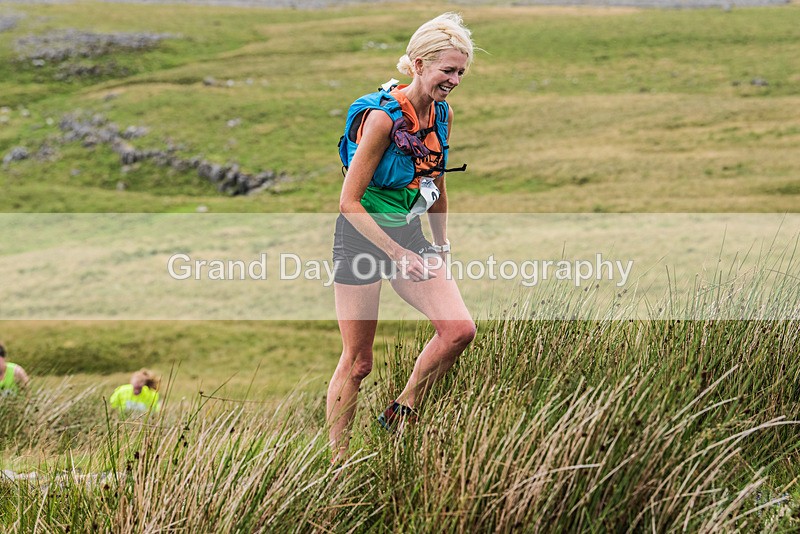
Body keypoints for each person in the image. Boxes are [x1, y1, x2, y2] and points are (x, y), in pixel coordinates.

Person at [328, 13, 478, 463]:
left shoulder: (443, 113)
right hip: (361, 237)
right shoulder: (380, 120)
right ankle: (338, 465)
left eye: (460, 72)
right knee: (358, 363)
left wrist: (441, 245)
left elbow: (438, 184)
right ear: (417, 64)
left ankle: (402, 409)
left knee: (458, 331)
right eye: (446, 70)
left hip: (408, 235)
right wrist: (395, 253)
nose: (454, 80)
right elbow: (348, 203)